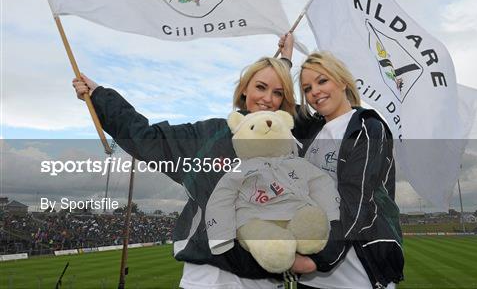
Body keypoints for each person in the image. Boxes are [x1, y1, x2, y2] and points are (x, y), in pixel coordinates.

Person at [72, 34, 315, 289]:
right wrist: (99, 95)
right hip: (208, 276)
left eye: (278, 93)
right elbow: (148, 138)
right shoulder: (209, 135)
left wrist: (285, 61)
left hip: (264, 278)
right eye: (260, 87)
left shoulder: (290, 144)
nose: (267, 98)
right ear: (244, 89)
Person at [293, 51, 404, 289]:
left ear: (342, 81)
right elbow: (273, 105)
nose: (315, 92)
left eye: (322, 81)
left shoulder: (368, 128)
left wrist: (316, 260)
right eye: (307, 88)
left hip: (356, 276)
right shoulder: (312, 131)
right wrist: (285, 58)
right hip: (311, 278)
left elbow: (357, 203)